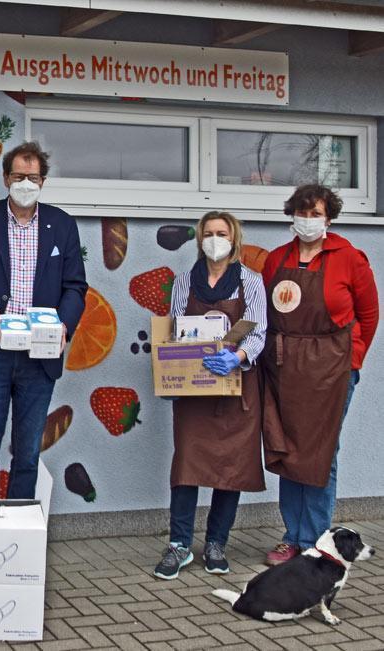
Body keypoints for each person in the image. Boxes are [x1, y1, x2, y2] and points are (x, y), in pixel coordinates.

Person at [0, 141, 88, 499]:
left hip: (39, 358)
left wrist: (64, 325)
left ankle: (19, 540)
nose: (26, 183)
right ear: (6, 177)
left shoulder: (62, 224)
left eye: (33, 177)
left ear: (43, 181)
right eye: (20, 176)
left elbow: (75, 286)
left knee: (27, 456)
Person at [262, 184, 378, 566]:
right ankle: (292, 538)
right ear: (291, 215)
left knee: (321, 453)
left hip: (332, 368)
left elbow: (368, 314)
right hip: (285, 367)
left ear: (329, 218)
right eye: (302, 212)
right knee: (288, 450)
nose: (308, 220)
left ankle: (315, 540)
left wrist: (352, 359)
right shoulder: (276, 259)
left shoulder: (350, 258)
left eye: (316, 214)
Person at [153, 211, 267, 580]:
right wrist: (172, 369)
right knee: (186, 466)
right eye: (209, 233)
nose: (215, 239)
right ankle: (179, 545)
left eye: (222, 233)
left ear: (234, 240)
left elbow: (260, 330)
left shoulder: (251, 281)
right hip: (195, 391)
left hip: (236, 388)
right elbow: (174, 329)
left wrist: (237, 355)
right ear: (199, 239)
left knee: (229, 469)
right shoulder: (185, 281)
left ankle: (217, 543)